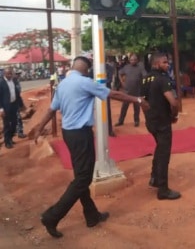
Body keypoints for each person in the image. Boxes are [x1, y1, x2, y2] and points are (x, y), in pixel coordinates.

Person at [28, 56, 149, 238]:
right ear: (86, 70)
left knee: (80, 175)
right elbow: (114, 94)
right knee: (83, 179)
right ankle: (52, 216)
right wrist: (138, 100)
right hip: (80, 134)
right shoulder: (85, 82)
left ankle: (91, 215)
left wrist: (39, 129)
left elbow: (51, 110)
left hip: (69, 134)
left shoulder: (63, 84)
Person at [141, 53, 181, 200]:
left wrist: (148, 117)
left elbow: (141, 101)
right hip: (163, 122)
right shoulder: (162, 79)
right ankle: (162, 189)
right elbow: (173, 102)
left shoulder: (145, 79)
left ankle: (154, 177)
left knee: (159, 148)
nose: (168, 64)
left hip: (151, 122)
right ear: (156, 64)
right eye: (165, 62)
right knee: (164, 154)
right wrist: (174, 115)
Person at [115, 54, 146, 127]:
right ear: (129, 60)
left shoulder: (140, 68)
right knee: (124, 107)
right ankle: (120, 121)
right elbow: (120, 73)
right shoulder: (126, 67)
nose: (133, 61)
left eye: (135, 60)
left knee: (137, 107)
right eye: (131, 60)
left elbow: (145, 76)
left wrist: (143, 84)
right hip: (127, 91)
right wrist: (122, 82)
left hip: (137, 90)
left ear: (137, 60)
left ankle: (136, 121)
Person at [0, 66, 26, 149]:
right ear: (4, 74)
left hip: (14, 105)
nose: (9, 75)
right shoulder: (1, 82)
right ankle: (7, 142)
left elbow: (17, 94)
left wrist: (21, 105)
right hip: (5, 107)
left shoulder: (14, 81)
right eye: (8, 74)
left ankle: (10, 138)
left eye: (11, 73)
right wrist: (1, 109)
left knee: (14, 124)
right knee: (7, 125)